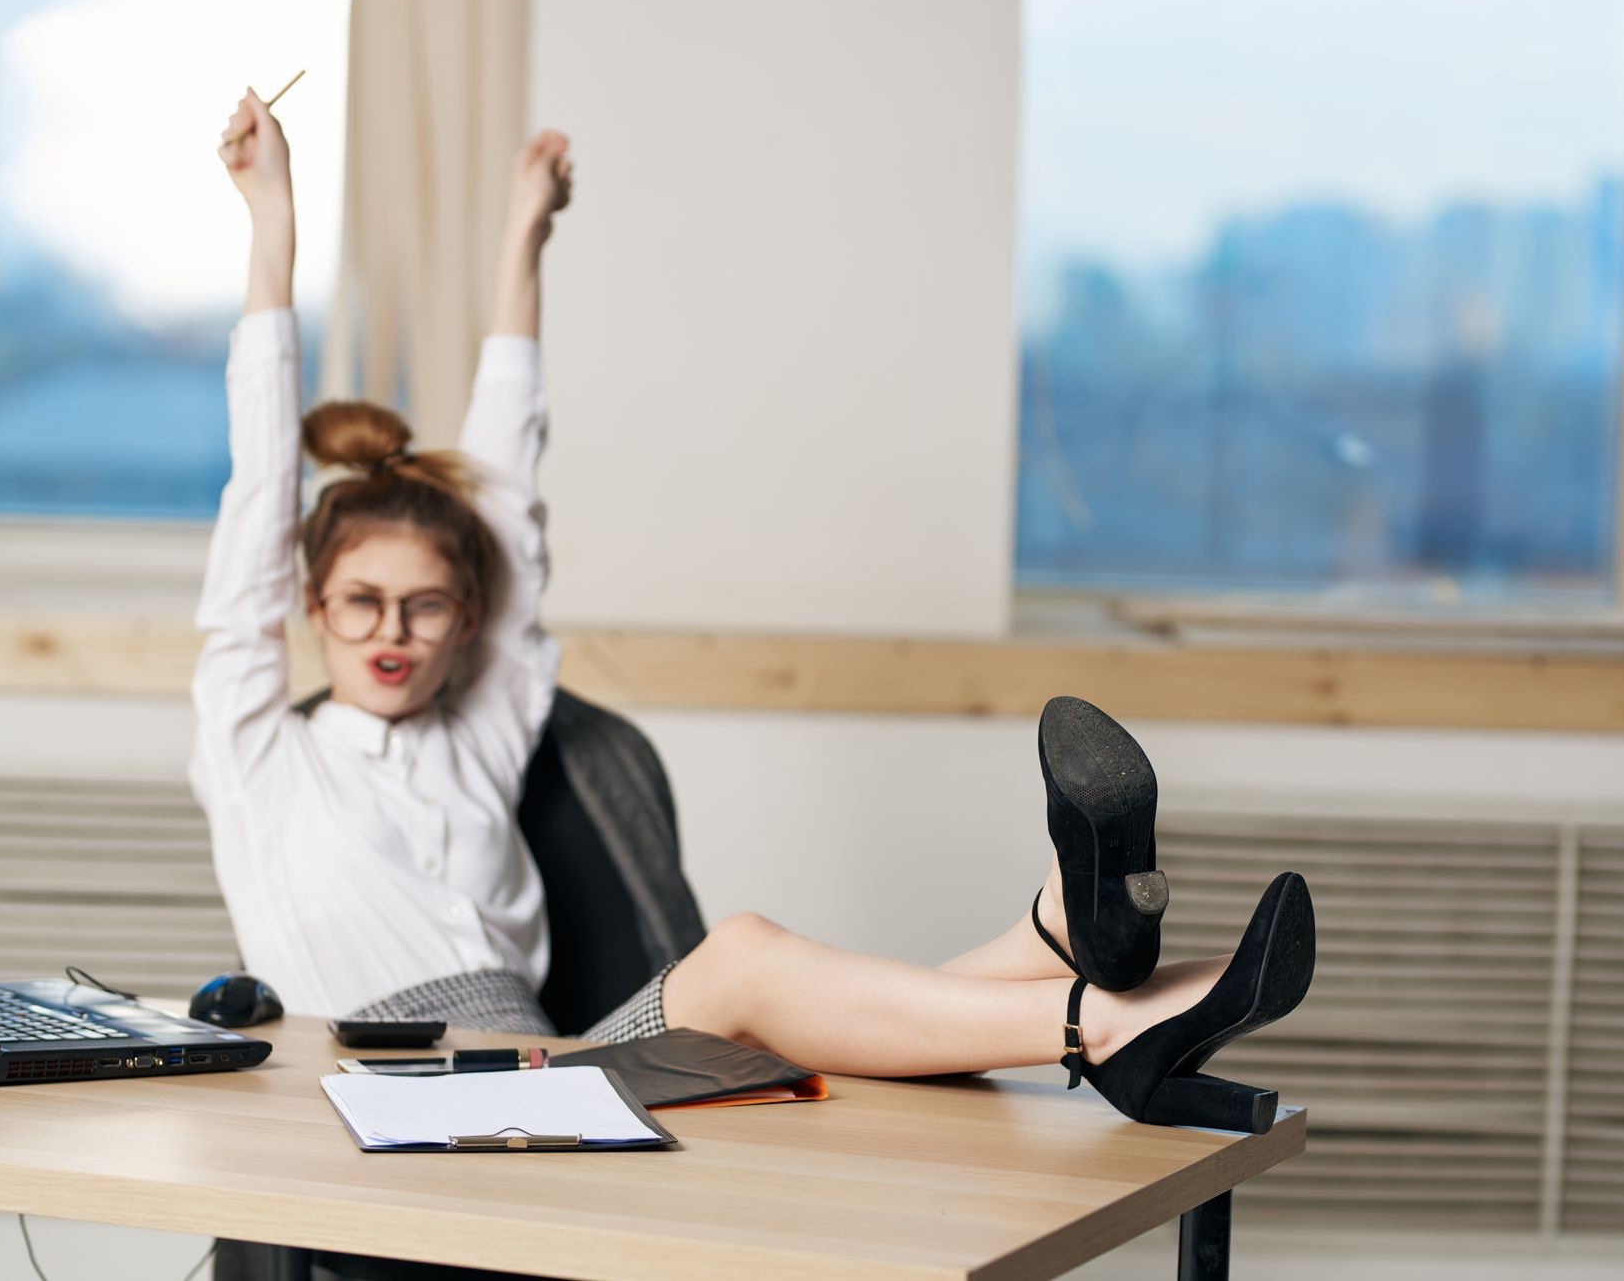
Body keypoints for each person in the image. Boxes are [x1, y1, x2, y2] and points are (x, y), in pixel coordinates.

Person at [199, 88, 1314, 1135]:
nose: (393, 631)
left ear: (466, 617)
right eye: (361, 604)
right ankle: (1102, 1021)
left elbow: (506, 490)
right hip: (409, 1109)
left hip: (546, 1082)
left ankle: (1063, 936)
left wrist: (524, 240)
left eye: (426, 605)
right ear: (309, 606)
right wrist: (271, 223)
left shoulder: (477, 735)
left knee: (789, 1024)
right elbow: (259, 502)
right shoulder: (258, 759)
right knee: (737, 961)